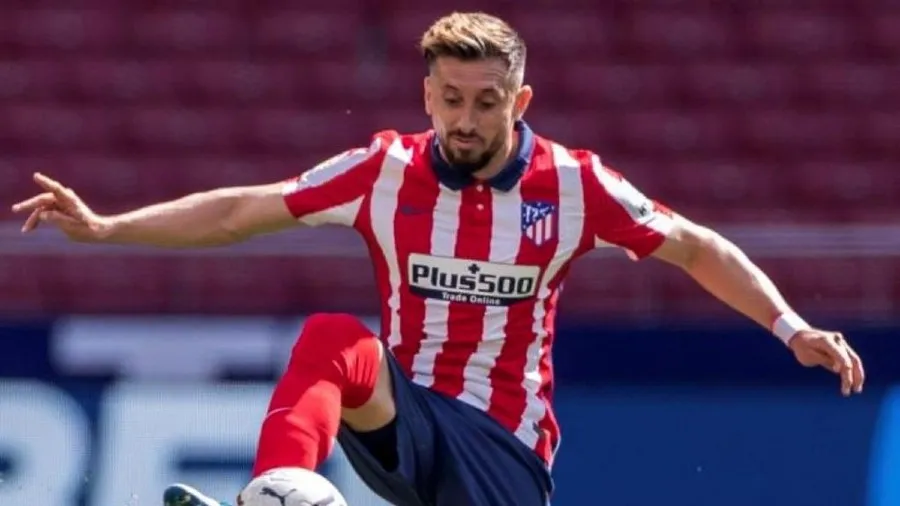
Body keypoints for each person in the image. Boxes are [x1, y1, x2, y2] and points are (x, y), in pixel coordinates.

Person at [11, 11, 865, 506]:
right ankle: (278, 491)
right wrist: (110, 228)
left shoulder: (575, 185)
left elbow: (693, 248)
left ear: (519, 101)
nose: (464, 120)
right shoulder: (384, 169)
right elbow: (242, 211)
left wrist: (790, 327)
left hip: (503, 451)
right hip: (408, 421)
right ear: (426, 93)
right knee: (332, 340)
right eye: (449, 99)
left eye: (485, 104)